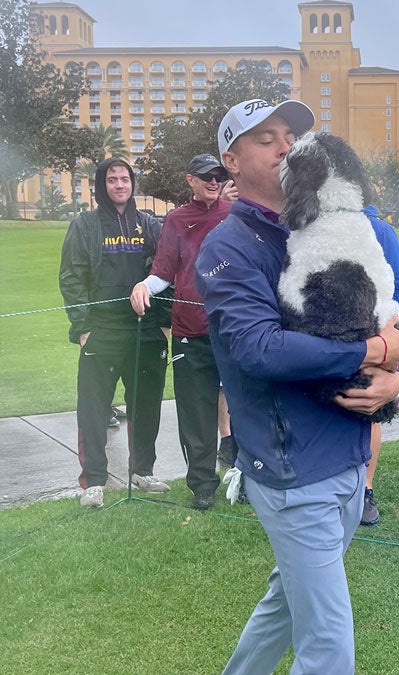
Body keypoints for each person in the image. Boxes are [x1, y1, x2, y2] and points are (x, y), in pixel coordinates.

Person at [194, 98, 399, 674]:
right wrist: (371, 352)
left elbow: (382, 319)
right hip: (292, 472)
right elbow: (259, 349)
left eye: (289, 134)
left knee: (286, 602)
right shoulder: (229, 246)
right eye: (265, 138)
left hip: (348, 453)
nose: (286, 145)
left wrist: (395, 378)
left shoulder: (324, 230)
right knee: (329, 646)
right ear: (230, 161)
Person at [59, 157, 173, 508]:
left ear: (132, 183)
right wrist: (82, 328)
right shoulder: (85, 225)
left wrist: (165, 322)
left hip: (146, 329)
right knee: (93, 407)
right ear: (102, 185)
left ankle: (143, 470)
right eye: (112, 180)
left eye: (125, 179)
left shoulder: (150, 225)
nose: (120, 185)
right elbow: (71, 277)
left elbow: (166, 272)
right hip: (102, 330)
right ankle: (94, 480)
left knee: (146, 404)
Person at [129, 154, 234, 510]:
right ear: (190, 180)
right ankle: (203, 485)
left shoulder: (235, 214)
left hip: (235, 330)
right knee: (196, 412)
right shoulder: (176, 220)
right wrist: (144, 286)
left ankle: (251, 477)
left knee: (248, 407)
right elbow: (164, 271)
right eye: (207, 176)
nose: (214, 182)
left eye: (218, 176)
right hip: (191, 333)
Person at [360, 202, 399, 527]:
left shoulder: (379, 230)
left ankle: (364, 489)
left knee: (369, 410)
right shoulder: (309, 222)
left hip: (375, 336)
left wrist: (386, 332)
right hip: (329, 337)